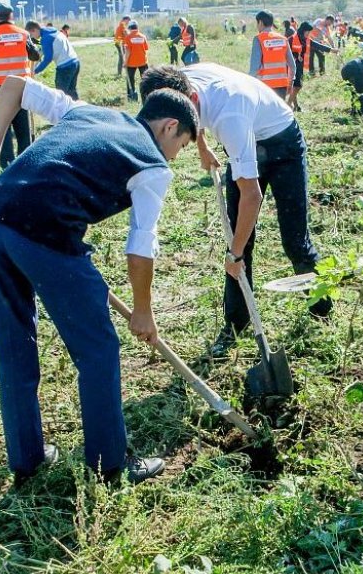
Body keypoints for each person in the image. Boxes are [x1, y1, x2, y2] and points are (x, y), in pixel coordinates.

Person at [0, 75, 198, 487]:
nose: (176, 156)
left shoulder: (88, 110)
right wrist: (142, 311)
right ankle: (109, 465)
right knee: (99, 347)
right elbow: (141, 246)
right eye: (181, 146)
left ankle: (27, 459)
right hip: (45, 233)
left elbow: (15, 85)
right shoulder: (153, 165)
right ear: (169, 127)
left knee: (14, 343)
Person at [139, 64, 332, 357]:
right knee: (237, 238)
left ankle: (322, 310)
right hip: (243, 136)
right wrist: (202, 145)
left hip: (281, 143)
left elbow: (252, 196)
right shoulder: (179, 81)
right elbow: (193, 112)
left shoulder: (230, 117)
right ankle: (235, 325)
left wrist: (236, 254)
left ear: (187, 102)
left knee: (293, 240)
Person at [0, 3, 41, 169]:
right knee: (23, 130)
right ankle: (27, 164)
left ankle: (7, 165)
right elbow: (35, 55)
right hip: (21, 88)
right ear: (11, 16)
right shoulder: (23, 35)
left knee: (2, 129)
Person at [26, 20, 81, 100]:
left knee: (61, 94)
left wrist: (35, 71)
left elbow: (48, 59)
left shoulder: (45, 38)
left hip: (65, 67)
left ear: (34, 30)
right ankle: (78, 109)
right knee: (71, 91)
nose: (32, 37)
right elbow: (45, 50)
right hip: (75, 62)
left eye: (31, 34)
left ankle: (63, 111)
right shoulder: (52, 30)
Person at [249, 10, 296, 100]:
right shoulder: (283, 39)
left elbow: (255, 67)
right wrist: (290, 82)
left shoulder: (259, 39)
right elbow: (292, 65)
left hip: (264, 86)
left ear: (260, 22)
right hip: (282, 85)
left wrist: (248, 82)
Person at [123, 20, 150, 101]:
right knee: (145, 79)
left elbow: (128, 51)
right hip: (143, 62)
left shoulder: (128, 37)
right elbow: (146, 48)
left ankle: (131, 96)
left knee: (130, 79)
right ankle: (146, 94)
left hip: (131, 63)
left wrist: (125, 62)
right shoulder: (143, 36)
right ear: (137, 27)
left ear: (129, 28)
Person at [286, 21, 306, 112]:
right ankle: (288, 105)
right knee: (297, 86)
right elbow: (286, 52)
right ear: (303, 31)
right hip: (292, 66)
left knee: (295, 86)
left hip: (299, 66)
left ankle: (296, 106)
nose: (309, 34)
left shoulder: (304, 39)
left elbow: (316, 45)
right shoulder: (291, 39)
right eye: (308, 32)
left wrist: (331, 49)